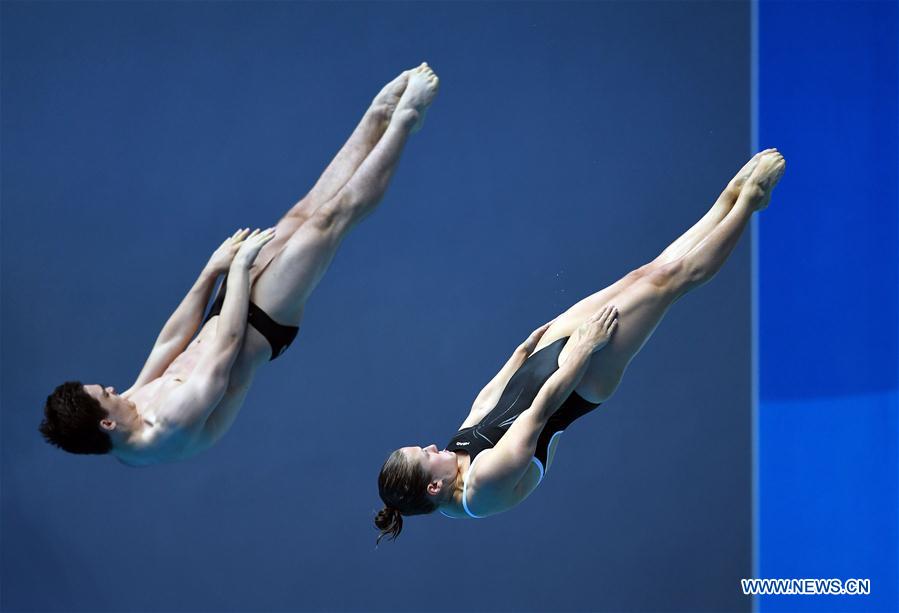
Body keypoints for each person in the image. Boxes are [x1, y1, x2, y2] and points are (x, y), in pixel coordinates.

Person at [375, 148, 786, 541]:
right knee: (670, 283)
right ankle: (750, 202)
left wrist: (521, 352)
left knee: (642, 276)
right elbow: (538, 414)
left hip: (543, 364)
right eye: (425, 453)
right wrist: (580, 352)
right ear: (433, 486)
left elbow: (484, 407)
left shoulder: (448, 467)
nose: (432, 444)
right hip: (578, 383)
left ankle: (724, 202)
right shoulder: (481, 489)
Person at [40, 63, 440, 465]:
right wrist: (237, 272)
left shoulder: (123, 412)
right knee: (328, 222)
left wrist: (212, 270)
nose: (115, 389)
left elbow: (168, 343)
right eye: (107, 394)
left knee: (300, 214)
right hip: (263, 325)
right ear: (106, 425)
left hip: (229, 309)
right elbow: (228, 347)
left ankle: (377, 115)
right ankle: (405, 120)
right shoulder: (169, 425)